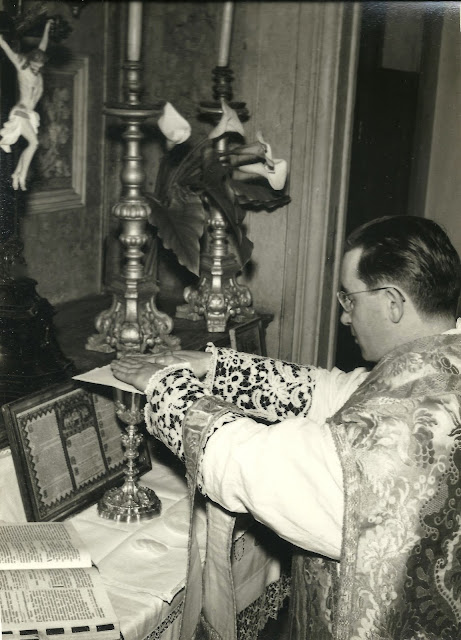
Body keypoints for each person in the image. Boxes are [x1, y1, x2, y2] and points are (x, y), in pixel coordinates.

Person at [112, 215, 461, 640]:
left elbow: (251, 465)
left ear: (393, 301)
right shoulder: (440, 369)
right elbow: (334, 391)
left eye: (349, 299)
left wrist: (164, 387)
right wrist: (218, 369)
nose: (345, 318)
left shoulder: (399, 428)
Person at [0, 19, 53, 191]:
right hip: (21, 112)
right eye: (35, 66)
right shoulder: (22, 69)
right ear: (30, 61)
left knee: (32, 144)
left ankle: (17, 174)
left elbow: (42, 46)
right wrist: (1, 41)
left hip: (29, 115)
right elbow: (7, 49)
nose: (37, 69)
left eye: (40, 67)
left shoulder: (38, 71)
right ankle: (20, 175)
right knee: (34, 143)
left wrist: (47, 28)